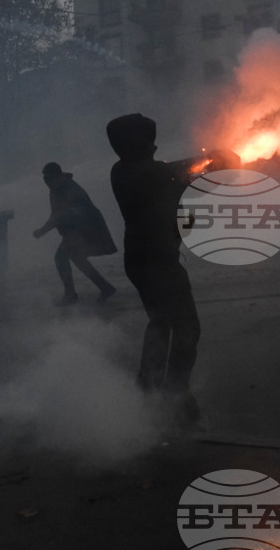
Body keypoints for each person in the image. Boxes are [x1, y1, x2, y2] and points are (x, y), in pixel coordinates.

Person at [106, 114, 203, 424]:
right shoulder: (150, 173)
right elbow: (179, 174)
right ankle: (175, 395)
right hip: (159, 261)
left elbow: (177, 181)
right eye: (150, 141)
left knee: (161, 323)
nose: (155, 146)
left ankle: (148, 392)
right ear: (138, 144)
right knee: (186, 327)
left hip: (142, 259)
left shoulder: (122, 171)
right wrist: (216, 160)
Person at [33, 162, 116, 305]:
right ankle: (105, 287)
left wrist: (43, 230)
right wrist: (45, 229)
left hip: (86, 228)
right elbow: (57, 213)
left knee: (61, 257)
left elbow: (59, 214)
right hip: (77, 229)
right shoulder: (57, 188)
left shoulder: (67, 188)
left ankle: (71, 294)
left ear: (57, 176)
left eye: (48, 178)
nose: (46, 182)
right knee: (77, 258)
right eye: (44, 179)